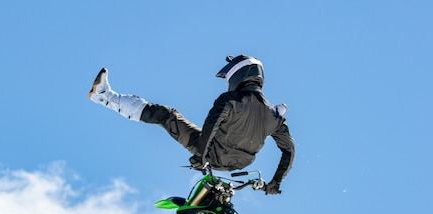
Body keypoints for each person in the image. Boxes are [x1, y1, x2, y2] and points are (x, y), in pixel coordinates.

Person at [88, 55, 295, 195]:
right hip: (241, 165)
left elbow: (212, 125)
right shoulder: (274, 116)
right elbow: (289, 150)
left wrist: (202, 156)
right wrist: (275, 182)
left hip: (212, 155)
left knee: (165, 115)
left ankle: (105, 96)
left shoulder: (230, 99)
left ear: (239, 75)